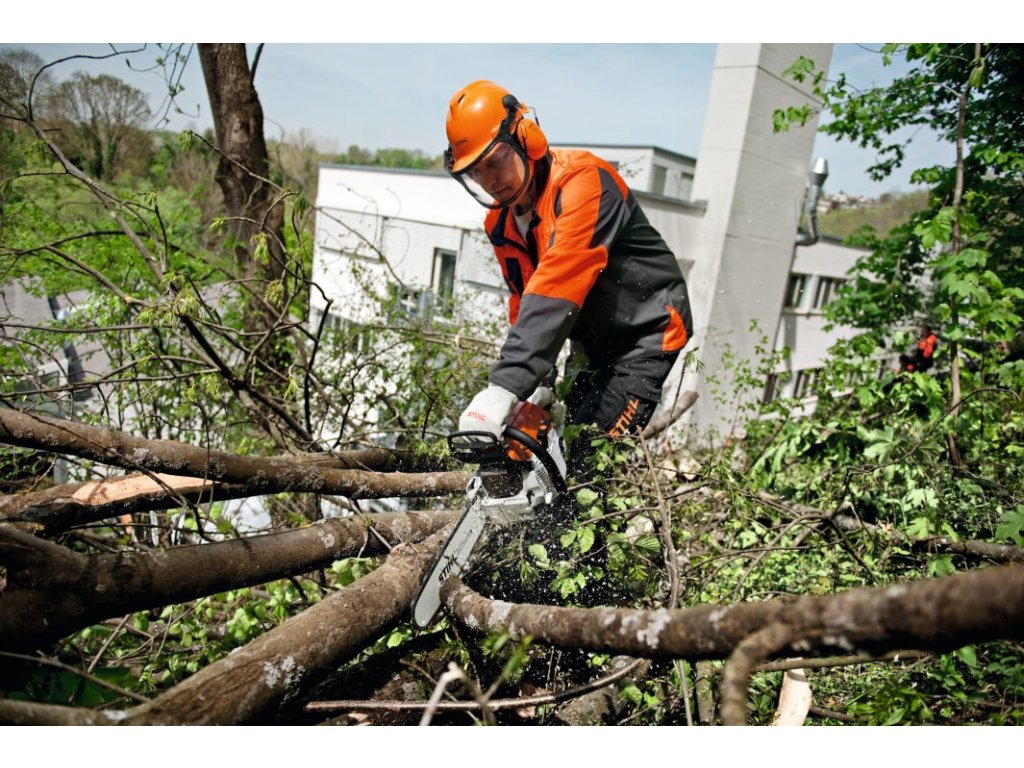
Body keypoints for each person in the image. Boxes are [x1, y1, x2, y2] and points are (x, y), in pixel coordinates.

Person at [446, 80, 693, 461]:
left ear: (526, 138)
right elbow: (525, 299)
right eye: (476, 172)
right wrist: (537, 382)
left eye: (494, 161)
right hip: (590, 340)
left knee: (588, 461)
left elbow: (557, 285)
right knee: (558, 447)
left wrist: (504, 386)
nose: (490, 180)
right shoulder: (501, 224)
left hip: (646, 334)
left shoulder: (584, 183)